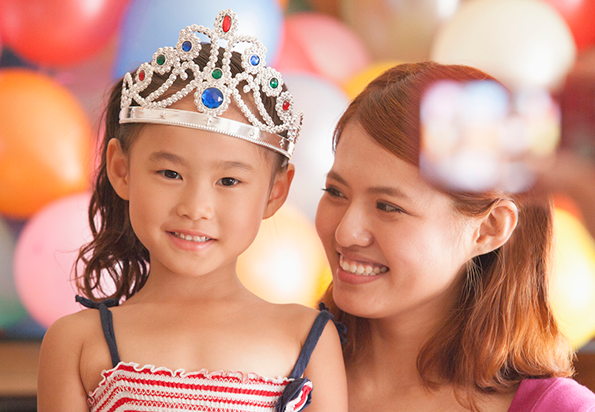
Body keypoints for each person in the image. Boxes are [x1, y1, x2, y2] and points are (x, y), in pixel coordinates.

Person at [37, 10, 347, 412]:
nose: (196, 208)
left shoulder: (308, 338)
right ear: (120, 169)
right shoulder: (78, 341)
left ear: (275, 191)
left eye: (229, 181)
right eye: (170, 173)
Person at [316, 61, 595, 411]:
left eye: (388, 207)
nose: (345, 232)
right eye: (335, 192)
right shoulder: (270, 371)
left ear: (489, 229)